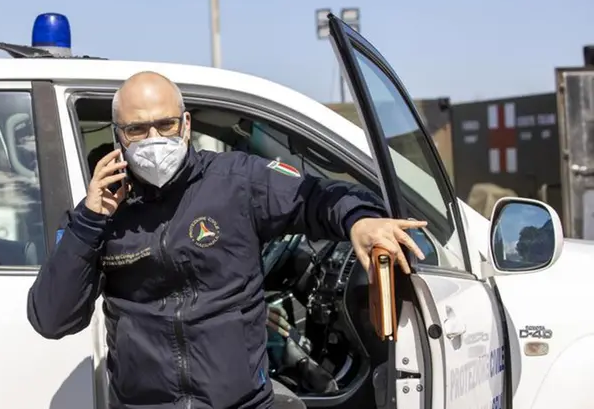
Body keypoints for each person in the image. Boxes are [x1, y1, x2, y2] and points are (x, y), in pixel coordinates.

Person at [27, 71, 427, 409]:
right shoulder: (103, 211)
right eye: (137, 129)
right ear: (119, 138)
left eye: (164, 125)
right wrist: (90, 221)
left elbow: (317, 197)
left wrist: (359, 221)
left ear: (185, 125)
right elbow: (51, 318)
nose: (153, 138)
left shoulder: (236, 181)